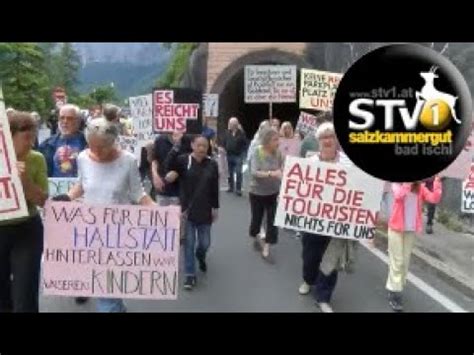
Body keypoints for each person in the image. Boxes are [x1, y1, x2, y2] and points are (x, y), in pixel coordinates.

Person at [67, 118, 155, 312]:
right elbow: (81, 185)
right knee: (104, 285)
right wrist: (66, 197)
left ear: (113, 143)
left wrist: (158, 212)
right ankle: (117, 307)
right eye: (92, 146)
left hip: (118, 234)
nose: (96, 152)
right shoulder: (82, 157)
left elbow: (137, 192)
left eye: (101, 147)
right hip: (90, 233)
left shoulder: (128, 161)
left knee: (108, 287)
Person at [297, 121, 355, 313]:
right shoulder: (310, 162)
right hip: (313, 221)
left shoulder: (348, 163)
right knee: (310, 256)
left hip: (338, 223)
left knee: (331, 261)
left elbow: (358, 191)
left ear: (337, 140)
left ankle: (323, 297)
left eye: (331, 136)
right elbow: (300, 189)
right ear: (318, 141)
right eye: (324, 137)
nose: (328, 140)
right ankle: (308, 279)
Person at [0, 111, 48, 312]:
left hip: (27, 229)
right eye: (26, 138)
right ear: (8, 137)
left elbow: (42, 200)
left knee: (25, 294)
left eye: (34, 138)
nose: (31, 144)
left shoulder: (36, 159)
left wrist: (24, 181)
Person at [165, 135, 219, 290]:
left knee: (204, 243)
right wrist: (175, 148)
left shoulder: (212, 164)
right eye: (199, 145)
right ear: (192, 145)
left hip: (205, 210)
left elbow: (214, 188)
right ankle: (190, 275)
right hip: (187, 212)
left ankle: (200, 255)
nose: (202, 148)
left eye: (205, 145)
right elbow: (169, 169)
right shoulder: (183, 161)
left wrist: (215, 208)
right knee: (188, 244)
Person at [386, 177, 442, 312]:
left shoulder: (420, 187)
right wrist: (408, 182)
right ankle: (395, 293)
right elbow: (399, 196)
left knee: (404, 262)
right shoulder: (396, 184)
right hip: (395, 229)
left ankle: (395, 286)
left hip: (410, 230)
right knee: (397, 261)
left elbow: (434, 198)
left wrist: (437, 182)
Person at [248, 128, 284, 260]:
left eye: (278, 139)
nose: (278, 142)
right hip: (257, 192)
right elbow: (254, 172)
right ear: (267, 141)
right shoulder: (257, 152)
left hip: (273, 192)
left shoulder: (279, 153)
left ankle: (267, 247)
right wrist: (271, 173)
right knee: (256, 221)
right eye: (275, 140)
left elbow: (282, 168)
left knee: (272, 221)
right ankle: (256, 236)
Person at [39, 104, 88, 178]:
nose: (65, 121)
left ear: (78, 121)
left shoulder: (88, 143)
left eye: (70, 118)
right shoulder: (46, 145)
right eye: (62, 118)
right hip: (55, 187)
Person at [151, 132, 191, 206]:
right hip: (163, 189)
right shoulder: (160, 139)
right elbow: (154, 159)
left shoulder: (189, 140)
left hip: (182, 191)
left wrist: (178, 172)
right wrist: (155, 176)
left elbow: (193, 161)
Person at [222, 117, 247, 196]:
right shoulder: (226, 132)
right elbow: (224, 142)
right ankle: (231, 187)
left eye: (233, 124)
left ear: (236, 124)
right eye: (230, 124)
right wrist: (222, 149)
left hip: (238, 155)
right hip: (229, 154)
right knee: (230, 172)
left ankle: (238, 189)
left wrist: (243, 154)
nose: (231, 125)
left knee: (238, 172)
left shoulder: (241, 133)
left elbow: (245, 144)